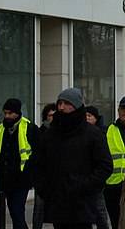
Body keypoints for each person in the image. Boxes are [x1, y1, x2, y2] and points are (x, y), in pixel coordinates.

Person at [31, 88, 113, 229]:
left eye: (67, 103)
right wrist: (45, 189)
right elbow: (38, 164)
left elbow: (105, 166)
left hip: (82, 204)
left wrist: (85, 186)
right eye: (60, 103)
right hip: (58, 204)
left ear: (76, 105)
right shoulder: (50, 135)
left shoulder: (92, 134)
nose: (61, 107)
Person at [0, 98, 39, 229]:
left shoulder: (29, 127)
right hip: (5, 178)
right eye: (5, 113)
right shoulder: (0, 129)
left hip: (22, 178)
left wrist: (28, 170)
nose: (7, 116)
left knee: (17, 212)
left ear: (17, 113)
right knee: (14, 211)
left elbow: (38, 152)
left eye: (10, 113)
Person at [104, 96, 125, 229]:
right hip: (112, 185)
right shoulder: (109, 130)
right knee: (116, 222)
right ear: (118, 111)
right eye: (123, 108)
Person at [32, 103, 56, 229]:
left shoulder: (62, 132)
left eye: (55, 115)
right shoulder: (41, 132)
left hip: (57, 176)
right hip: (43, 176)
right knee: (39, 207)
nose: (52, 117)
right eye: (50, 115)